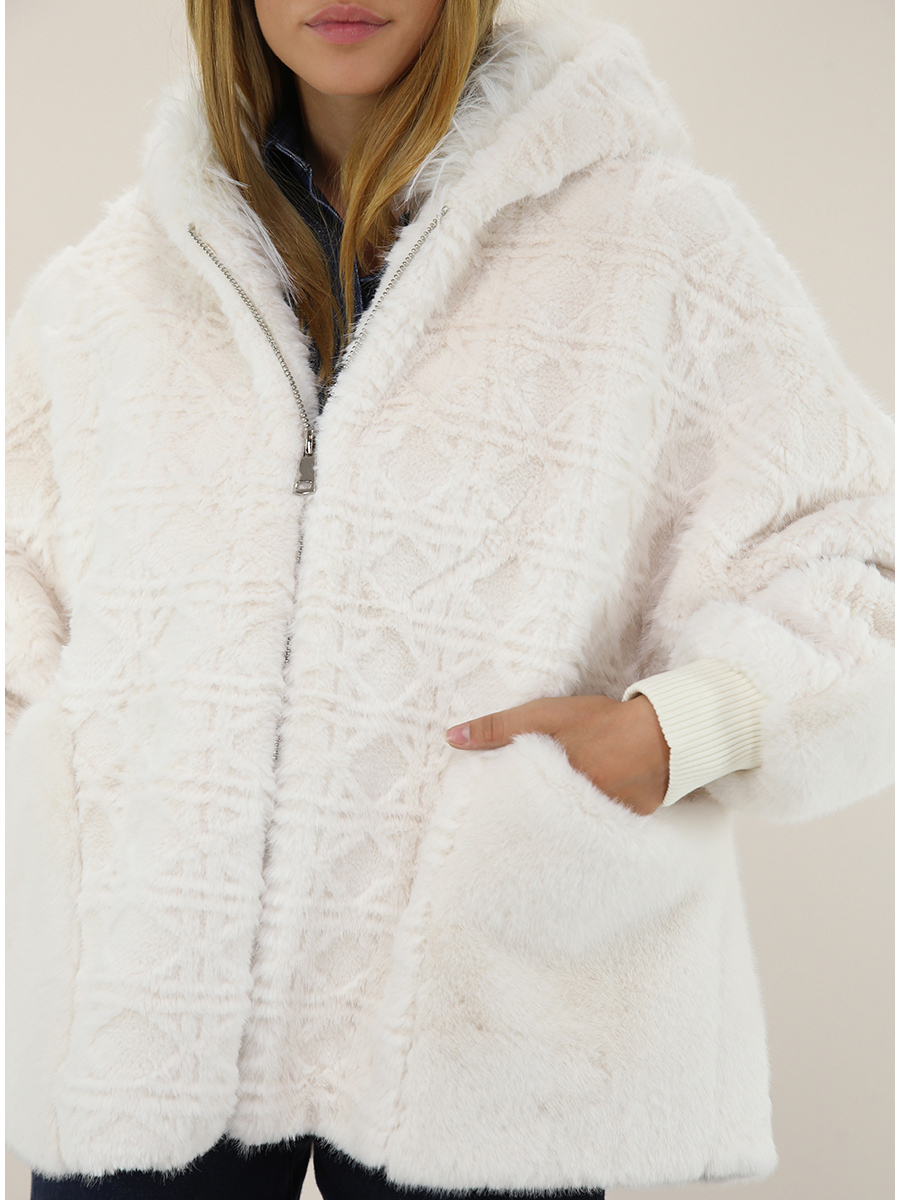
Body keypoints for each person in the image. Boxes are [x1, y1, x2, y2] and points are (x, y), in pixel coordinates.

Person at [6, 0, 893, 1196]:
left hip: (479, 1028)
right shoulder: (113, 289)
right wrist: (68, 783)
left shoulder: (649, 242)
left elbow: (859, 563)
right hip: (139, 1016)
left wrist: (673, 732)